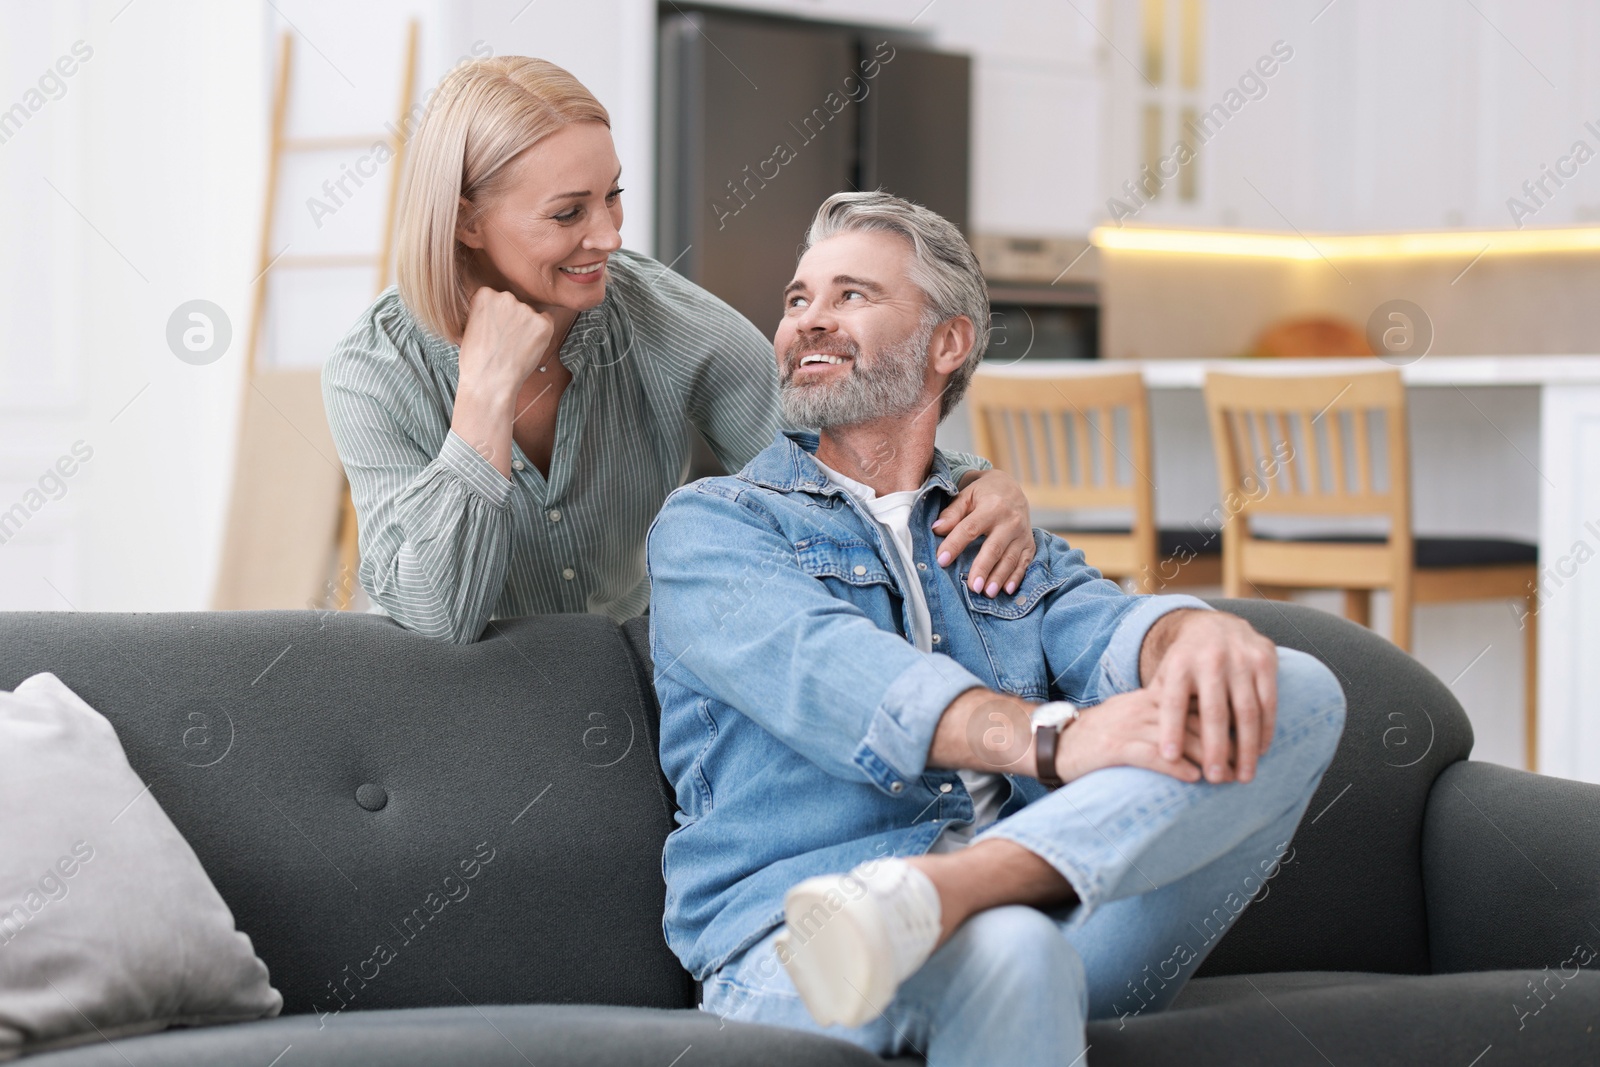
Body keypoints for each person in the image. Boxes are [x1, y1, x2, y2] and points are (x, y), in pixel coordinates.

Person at [645, 191, 1347, 1066]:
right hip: (803, 939)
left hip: (1047, 918)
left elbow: (1109, 629)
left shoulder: (1002, 535)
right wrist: (1055, 740)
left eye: (850, 296)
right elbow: (831, 672)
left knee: (1296, 687)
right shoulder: (713, 525)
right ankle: (942, 905)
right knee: (1010, 948)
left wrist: (1189, 634)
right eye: (797, 300)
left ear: (949, 343)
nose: (807, 322)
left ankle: (952, 889)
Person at [321, 57, 1035, 643]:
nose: (609, 236)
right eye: (569, 212)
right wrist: (482, 400)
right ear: (467, 222)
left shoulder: (657, 316)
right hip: (458, 718)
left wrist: (972, 483)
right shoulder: (373, 370)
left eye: (613, 196)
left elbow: (818, 458)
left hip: (629, 684)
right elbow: (438, 615)